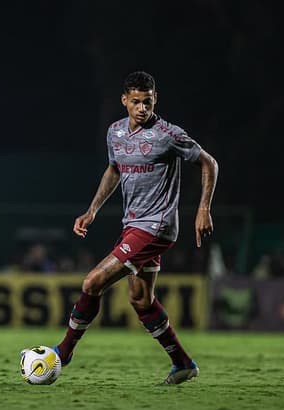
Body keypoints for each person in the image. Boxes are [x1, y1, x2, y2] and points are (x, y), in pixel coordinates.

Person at [53, 71, 218, 384]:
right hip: (133, 225)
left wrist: (203, 209)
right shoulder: (115, 133)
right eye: (137, 102)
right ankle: (182, 363)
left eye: (148, 101)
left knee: (93, 282)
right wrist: (92, 210)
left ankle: (63, 352)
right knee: (141, 300)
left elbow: (209, 163)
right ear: (125, 101)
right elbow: (114, 170)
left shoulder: (168, 134)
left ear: (155, 99)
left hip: (157, 226)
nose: (143, 108)